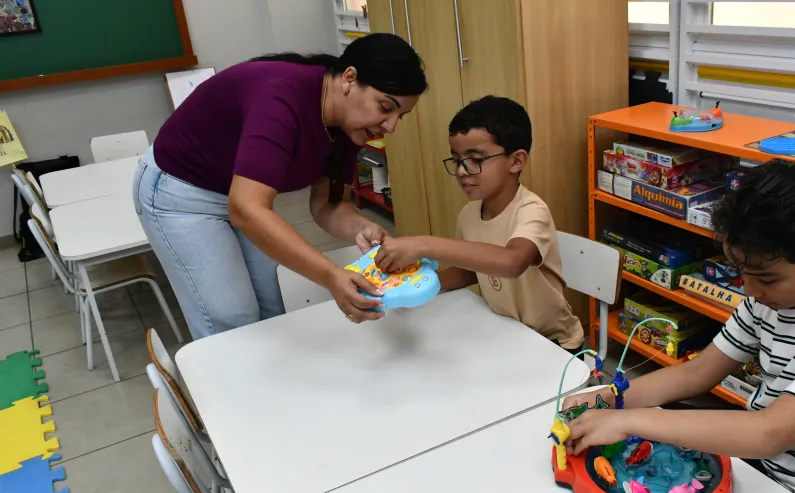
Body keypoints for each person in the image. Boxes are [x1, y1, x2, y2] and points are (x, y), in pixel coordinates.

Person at [562, 160, 795, 493]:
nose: (751, 290)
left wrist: (630, 421)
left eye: (767, 279)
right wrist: (610, 399)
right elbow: (698, 372)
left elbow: (769, 432)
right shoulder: (773, 298)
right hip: (757, 471)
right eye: (742, 273)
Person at [134, 34, 427, 338]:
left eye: (399, 116)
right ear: (349, 79)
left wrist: (360, 226)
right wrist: (331, 275)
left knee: (272, 304)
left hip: (238, 194)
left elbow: (327, 205)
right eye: (385, 107)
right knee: (232, 316)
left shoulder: (347, 125)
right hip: (180, 192)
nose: (390, 126)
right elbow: (247, 209)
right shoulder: (281, 98)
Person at [372, 96, 584, 354]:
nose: (462, 171)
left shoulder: (531, 211)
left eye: (475, 159)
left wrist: (424, 244)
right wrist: (412, 287)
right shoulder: (469, 213)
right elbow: (469, 271)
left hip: (553, 343)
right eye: (457, 160)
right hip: (506, 331)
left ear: (516, 161)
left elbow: (511, 262)